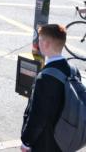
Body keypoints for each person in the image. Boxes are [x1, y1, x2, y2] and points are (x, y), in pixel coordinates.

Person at [21, 24, 73, 152]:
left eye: (39, 40)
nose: (38, 43)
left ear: (46, 44)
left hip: (46, 142)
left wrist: (26, 142)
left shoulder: (46, 77)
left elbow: (38, 115)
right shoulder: (72, 69)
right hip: (64, 137)